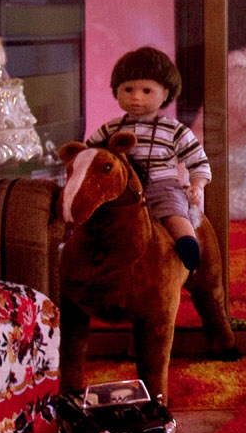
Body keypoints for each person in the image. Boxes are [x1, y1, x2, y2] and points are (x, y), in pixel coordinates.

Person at [89, 47, 208, 271]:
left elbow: (197, 160)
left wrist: (197, 184)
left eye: (146, 91)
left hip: (162, 187)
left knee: (173, 211)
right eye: (128, 89)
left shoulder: (174, 129)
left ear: (166, 93)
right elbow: (90, 153)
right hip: (122, 190)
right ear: (116, 91)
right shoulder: (112, 128)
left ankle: (187, 242)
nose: (136, 97)